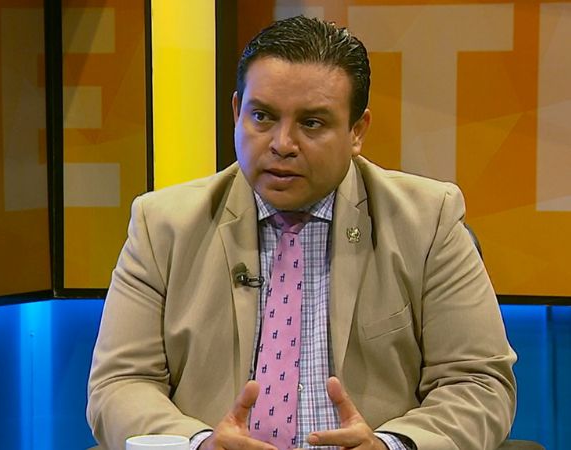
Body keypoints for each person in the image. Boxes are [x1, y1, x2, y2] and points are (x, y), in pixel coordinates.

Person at [87, 16, 516, 450]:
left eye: (311, 123)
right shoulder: (163, 225)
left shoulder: (427, 221)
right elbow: (120, 383)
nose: (282, 144)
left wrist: (391, 445)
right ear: (236, 113)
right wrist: (198, 444)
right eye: (262, 117)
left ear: (357, 131)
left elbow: (477, 383)